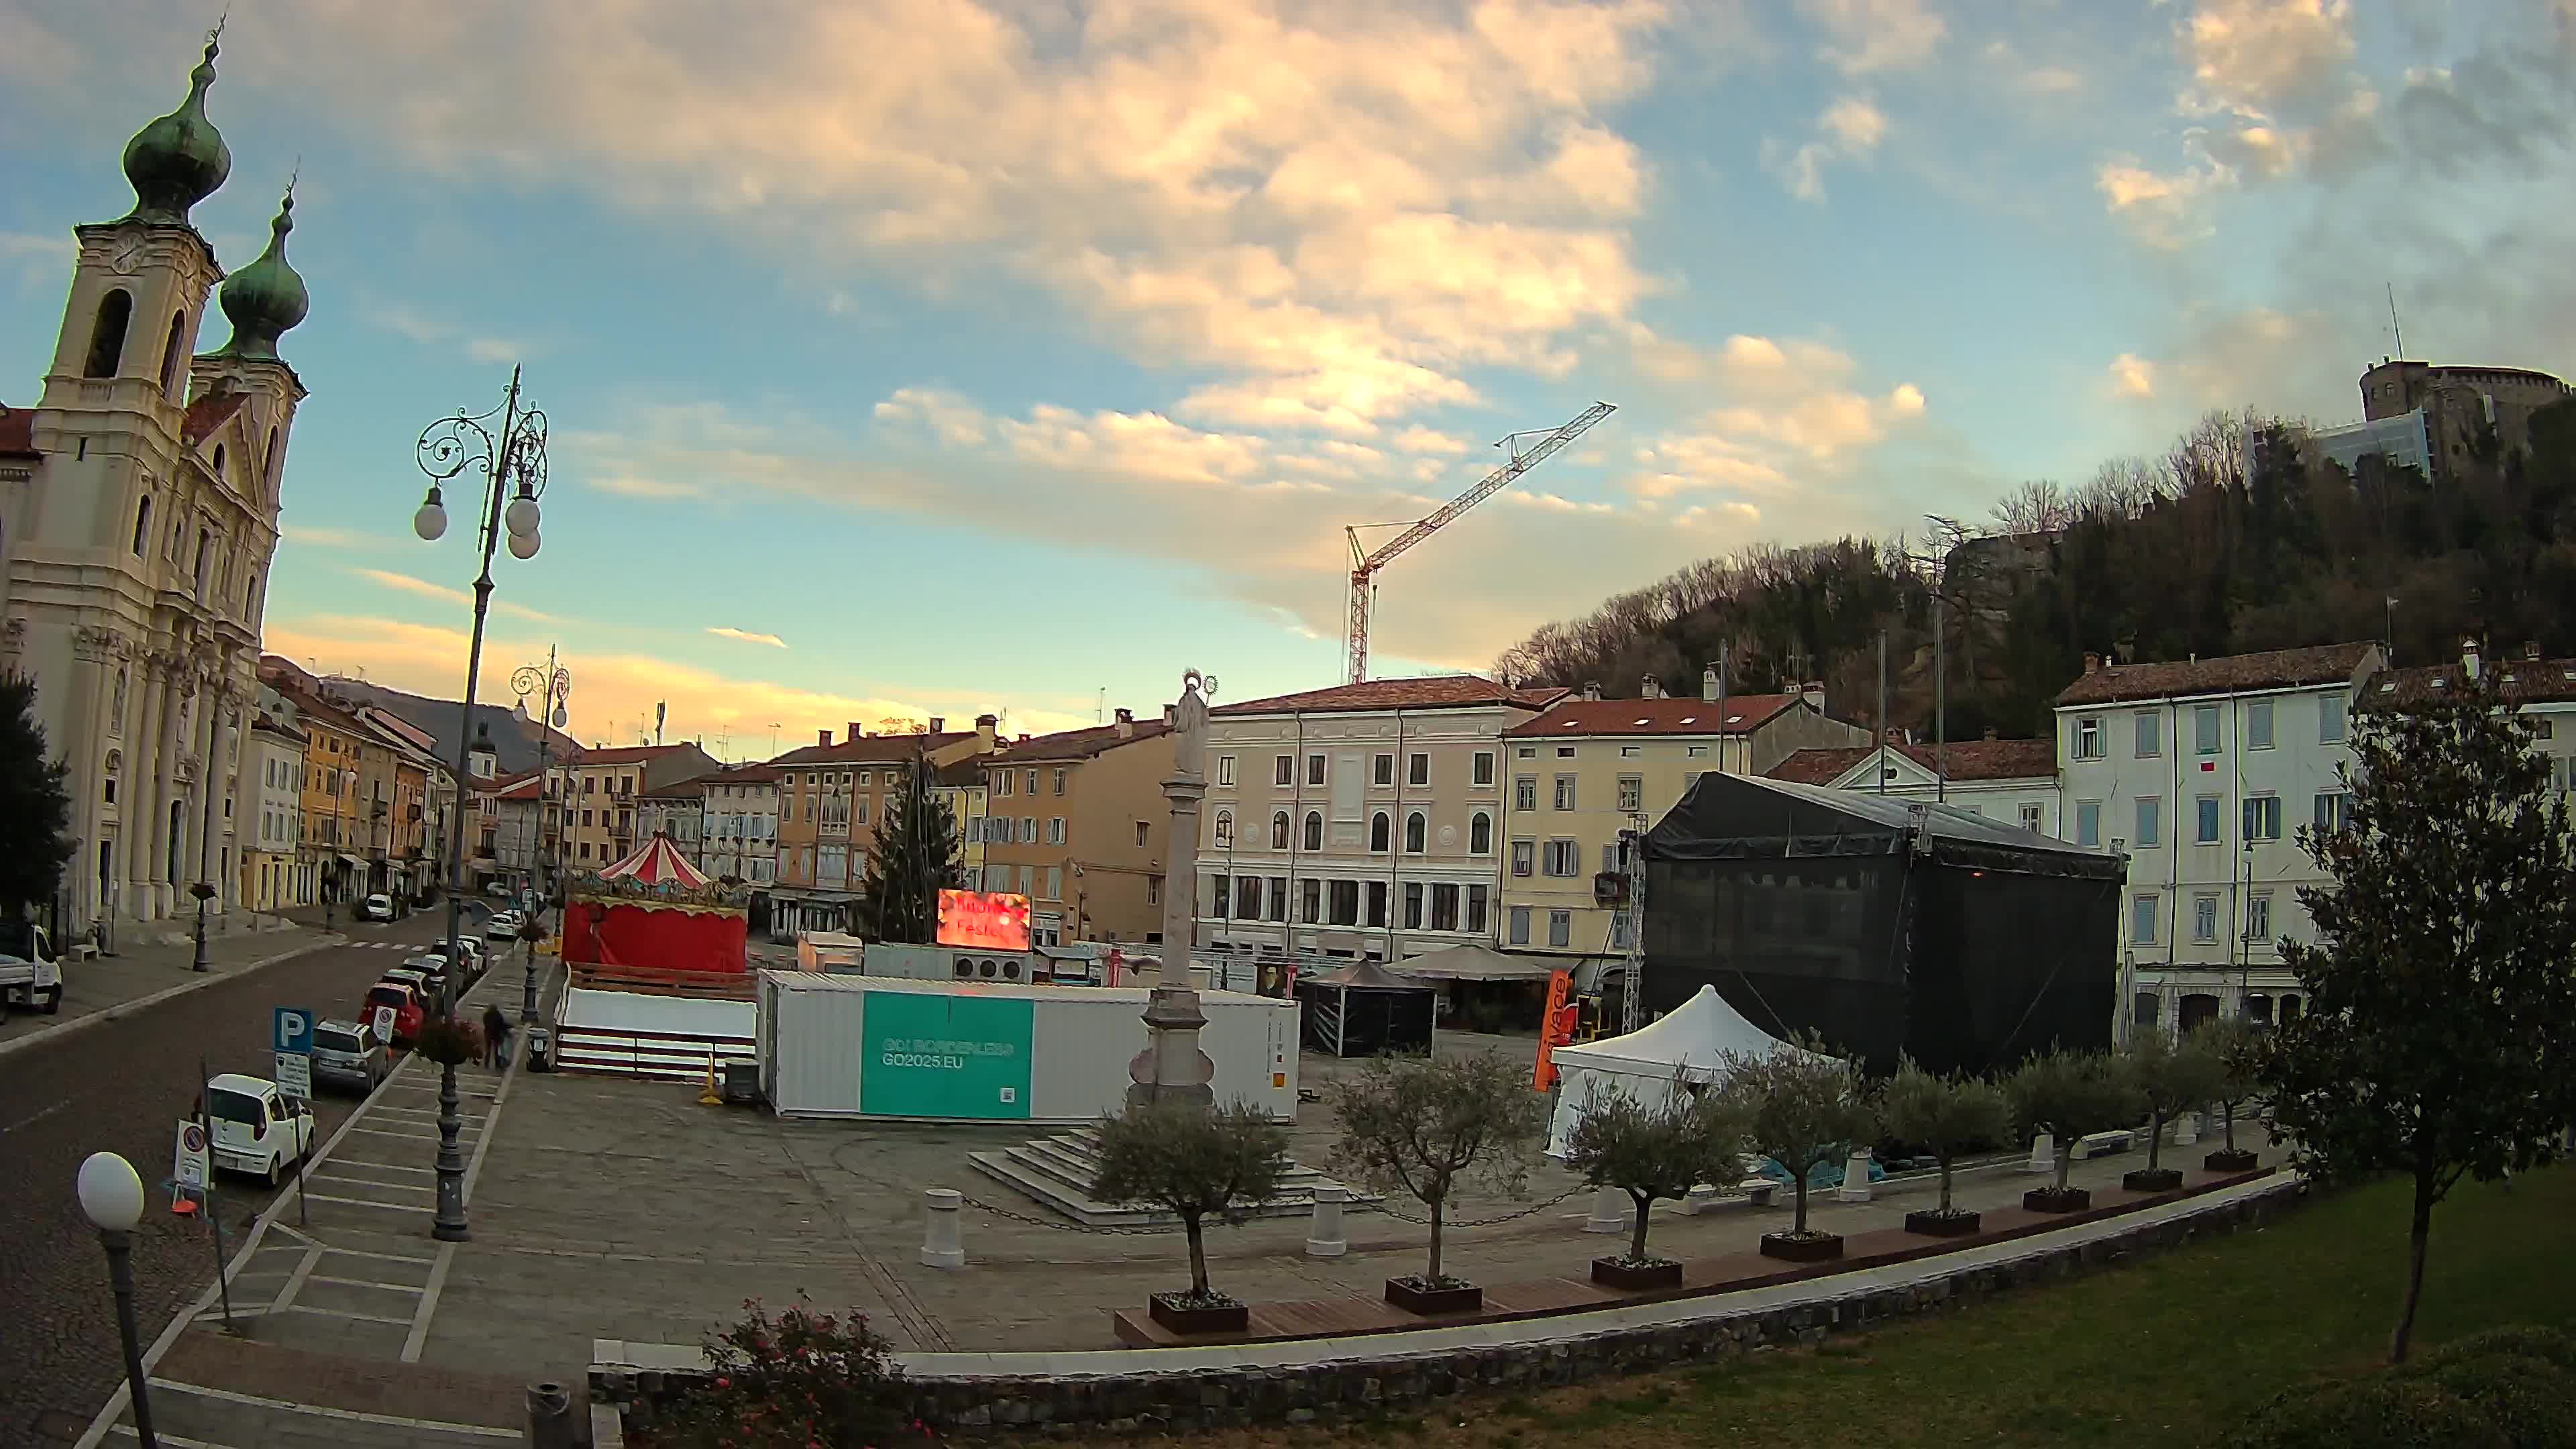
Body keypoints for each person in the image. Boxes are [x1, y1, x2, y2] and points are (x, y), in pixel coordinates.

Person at [482, 1003, 511, 1071]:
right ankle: (497, 1065)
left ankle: (486, 1064)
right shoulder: (498, 1015)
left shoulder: (486, 1015)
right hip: (496, 1035)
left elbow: (486, 1023)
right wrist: (509, 1027)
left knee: (488, 1050)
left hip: (488, 1034)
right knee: (496, 1051)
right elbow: (502, 1025)